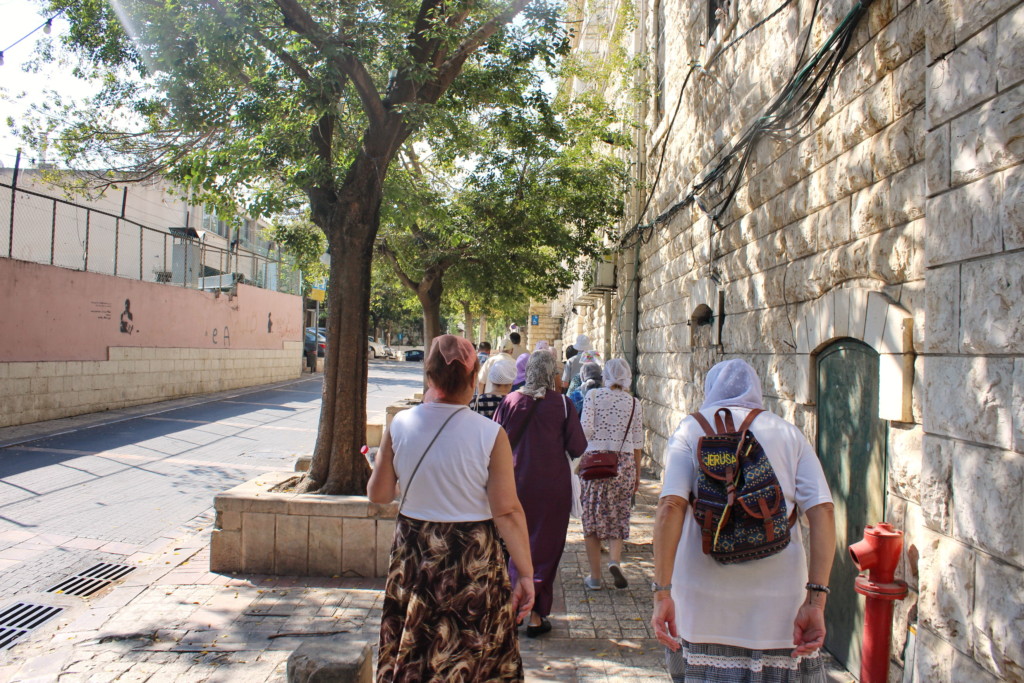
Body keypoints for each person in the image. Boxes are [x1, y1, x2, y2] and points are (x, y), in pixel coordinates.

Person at [651, 359, 836, 682]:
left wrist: (662, 593)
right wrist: (816, 601)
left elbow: (670, 507)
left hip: (701, 603)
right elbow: (823, 512)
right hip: (780, 607)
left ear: (710, 390)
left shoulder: (690, 430)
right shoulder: (788, 433)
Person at [369, 335, 535, 681]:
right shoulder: (491, 434)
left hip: (416, 554)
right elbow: (507, 511)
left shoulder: (400, 424)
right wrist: (526, 573)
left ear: (429, 376)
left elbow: (379, 494)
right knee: (473, 655)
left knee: (417, 653)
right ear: (474, 379)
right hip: (471, 560)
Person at [493, 351, 588, 638]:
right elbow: (577, 446)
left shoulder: (510, 401)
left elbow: (494, 439)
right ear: (549, 373)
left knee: (514, 543)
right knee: (546, 548)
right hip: (552, 487)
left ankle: (513, 608)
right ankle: (536, 615)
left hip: (515, 482)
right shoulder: (562, 404)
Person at [578, 358, 644, 590]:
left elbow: (585, 429)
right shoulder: (634, 403)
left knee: (592, 517)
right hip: (624, 464)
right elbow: (637, 442)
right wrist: (637, 474)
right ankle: (614, 561)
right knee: (619, 513)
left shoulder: (593, 396)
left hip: (596, 463)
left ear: (605, 375)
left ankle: (595, 577)